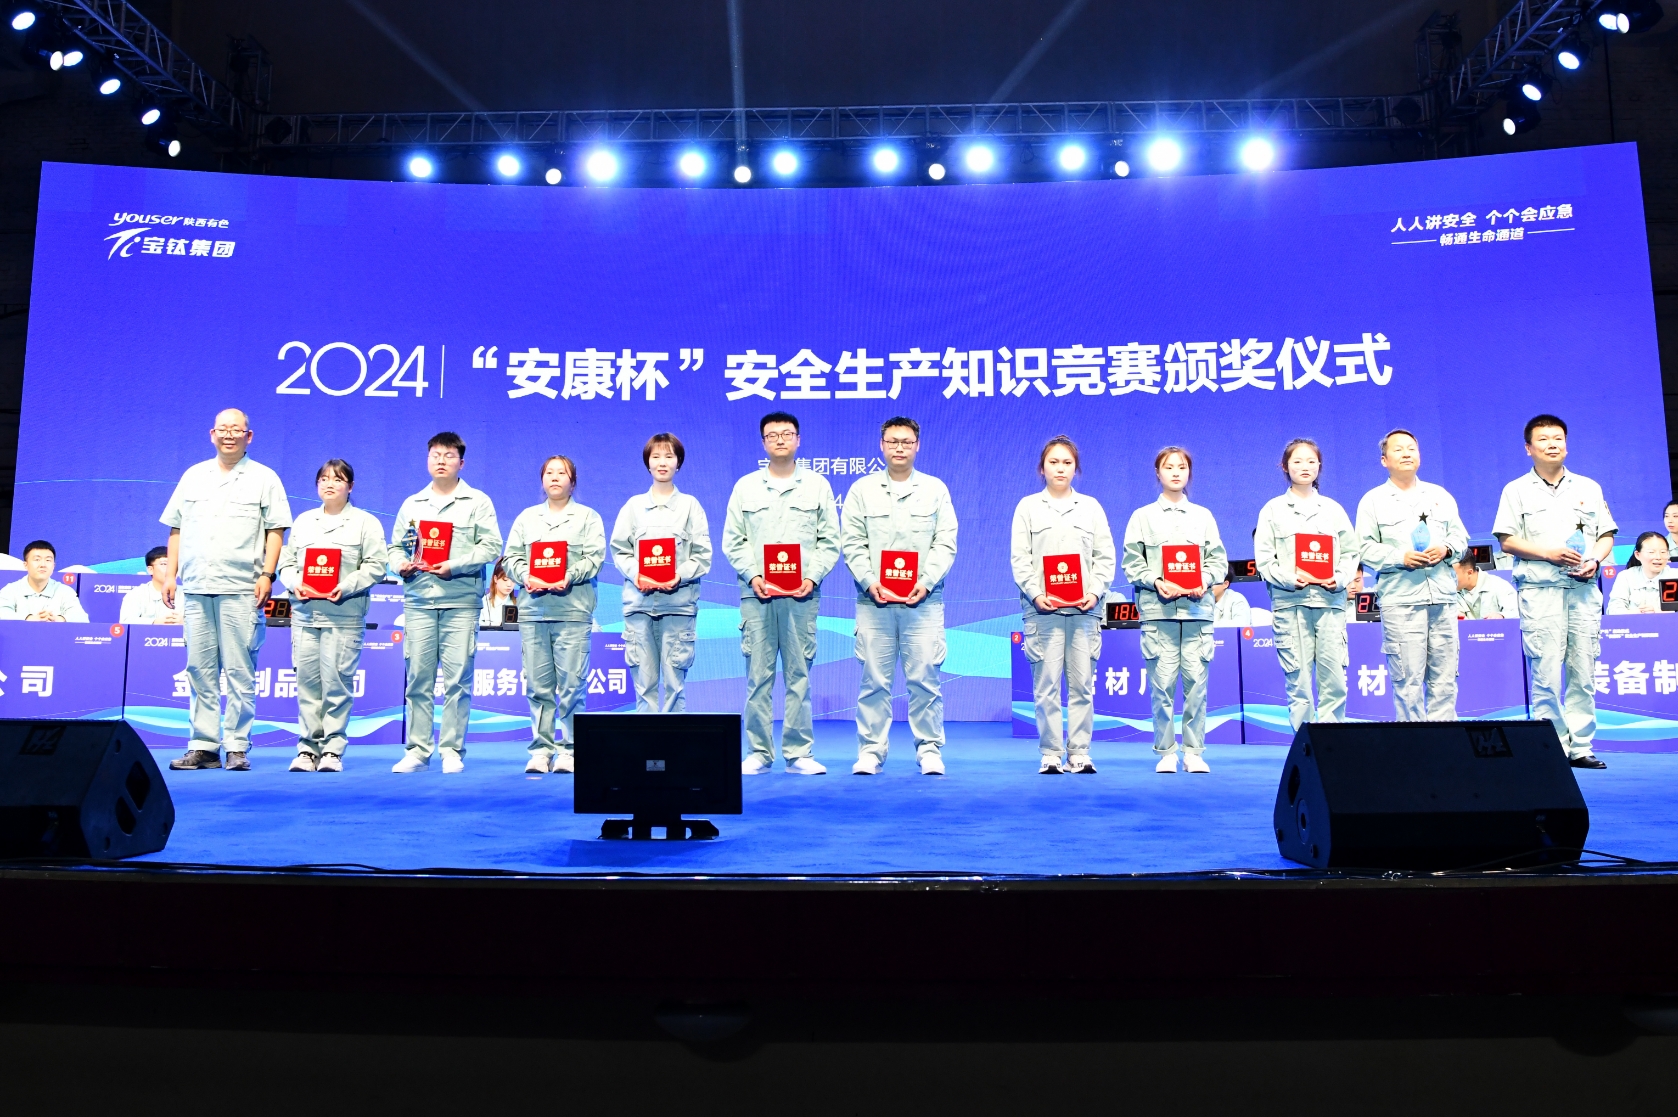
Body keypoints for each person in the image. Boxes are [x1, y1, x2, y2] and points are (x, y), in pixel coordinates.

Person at [160, 409, 292, 771]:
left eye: (236, 429)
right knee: (199, 669)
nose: (229, 434)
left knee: (239, 670)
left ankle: (237, 746)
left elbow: (276, 531)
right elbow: (176, 529)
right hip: (197, 586)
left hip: (242, 588)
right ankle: (203, 746)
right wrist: (171, 576)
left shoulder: (264, 478)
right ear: (212, 434)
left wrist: (268, 574)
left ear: (249, 436)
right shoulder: (193, 476)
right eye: (223, 429)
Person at [1493, 414, 1617, 769]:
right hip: (1541, 590)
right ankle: (1553, 747)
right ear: (1528, 448)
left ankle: (1581, 746)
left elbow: (1606, 535)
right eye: (1544, 439)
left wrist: (1594, 558)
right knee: (1546, 672)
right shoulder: (1516, 490)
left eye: (1558, 438)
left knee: (1584, 670)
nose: (1552, 444)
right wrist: (1547, 553)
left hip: (1583, 590)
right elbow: (1507, 540)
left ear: (1566, 443)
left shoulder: (1589, 487)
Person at [723, 411, 840, 775]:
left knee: (798, 675)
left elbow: (830, 540)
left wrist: (813, 577)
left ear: (798, 440)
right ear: (763, 443)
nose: (779, 440)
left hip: (801, 596)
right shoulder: (745, 487)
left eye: (786, 434)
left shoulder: (817, 486)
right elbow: (733, 540)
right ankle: (758, 751)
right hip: (756, 596)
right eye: (772, 435)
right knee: (758, 677)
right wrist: (753, 574)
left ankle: (798, 752)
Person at [841, 416, 959, 776]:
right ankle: (871, 751)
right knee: (874, 680)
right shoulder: (862, 490)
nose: (899, 448)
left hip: (923, 602)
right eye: (892, 441)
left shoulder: (935, 489)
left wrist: (926, 581)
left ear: (917, 446)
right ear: (881, 445)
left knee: (924, 678)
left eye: (906, 442)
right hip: (874, 602)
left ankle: (929, 750)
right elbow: (853, 542)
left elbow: (945, 542)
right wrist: (868, 580)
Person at [388, 432, 502, 774]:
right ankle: (417, 751)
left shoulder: (478, 501)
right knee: (418, 679)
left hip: (461, 601)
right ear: (427, 460)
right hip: (419, 600)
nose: (441, 460)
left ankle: (451, 750)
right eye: (435, 454)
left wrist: (455, 564)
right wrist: (400, 564)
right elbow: (395, 547)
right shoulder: (412, 504)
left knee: (457, 680)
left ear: (461, 463)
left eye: (449, 455)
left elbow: (491, 546)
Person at [275, 459, 389, 772]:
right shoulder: (303, 522)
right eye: (324, 478)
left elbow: (376, 565)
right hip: (305, 616)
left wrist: (346, 585)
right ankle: (307, 750)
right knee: (307, 685)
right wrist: (295, 584)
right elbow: (287, 564)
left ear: (350, 486)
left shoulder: (366, 523)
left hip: (343, 615)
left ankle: (332, 750)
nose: (329, 484)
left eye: (337, 479)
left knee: (337, 685)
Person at [1011, 435, 1114, 773]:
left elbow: (1105, 557)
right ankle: (1051, 753)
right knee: (1046, 687)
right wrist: (1035, 593)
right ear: (1042, 468)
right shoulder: (1027, 507)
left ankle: (1080, 752)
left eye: (1067, 463)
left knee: (1083, 686)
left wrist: (1095, 592)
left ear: (1076, 468)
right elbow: (1020, 559)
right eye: (1053, 462)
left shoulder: (1091, 507)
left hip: (1084, 612)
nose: (1060, 468)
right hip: (1043, 612)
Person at [1123, 446, 1227, 774]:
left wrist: (1204, 580)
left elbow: (1218, 561)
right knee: (1162, 685)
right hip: (1160, 612)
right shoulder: (1142, 517)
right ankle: (1166, 751)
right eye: (1169, 467)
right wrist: (1155, 580)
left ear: (1189, 472)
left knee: (1197, 685)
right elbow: (1131, 563)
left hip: (1197, 611)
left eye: (1181, 467)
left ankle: (1194, 751)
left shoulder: (1203, 516)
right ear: (1158, 473)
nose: (1176, 472)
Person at [1354, 429, 1466, 721]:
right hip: (1401, 601)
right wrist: (1399, 557)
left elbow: (1460, 537)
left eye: (1411, 448)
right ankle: (1413, 742)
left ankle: (1445, 740)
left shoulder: (1439, 495)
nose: (1406, 454)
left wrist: (1446, 549)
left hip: (1442, 597)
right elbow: (1363, 548)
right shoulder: (1372, 501)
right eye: (1398, 449)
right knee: (1407, 680)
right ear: (1384, 460)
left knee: (1445, 678)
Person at [503, 455, 605, 774]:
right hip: (534, 611)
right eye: (549, 472)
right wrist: (525, 576)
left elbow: (595, 558)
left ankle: (570, 750)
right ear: (542, 480)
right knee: (538, 686)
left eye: (562, 473)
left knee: (572, 685)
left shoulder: (588, 518)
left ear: (573, 482)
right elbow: (511, 557)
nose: (555, 477)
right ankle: (541, 750)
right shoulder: (526, 518)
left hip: (572, 610)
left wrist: (569, 576)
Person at [1253, 438, 1358, 729]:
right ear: (1285, 466)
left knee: (1334, 681)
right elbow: (1264, 559)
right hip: (1291, 606)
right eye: (1297, 461)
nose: (1305, 467)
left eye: (1311, 461)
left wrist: (1338, 578)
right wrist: (1291, 578)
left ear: (1319, 466)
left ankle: (1332, 746)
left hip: (1330, 604)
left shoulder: (1333, 509)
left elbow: (1351, 552)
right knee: (1298, 684)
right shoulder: (1272, 510)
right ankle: (1305, 746)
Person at [610, 433, 713, 714]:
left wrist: (678, 576)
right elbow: (619, 550)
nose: (662, 462)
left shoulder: (690, 506)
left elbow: (703, 555)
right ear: (648, 463)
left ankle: (673, 741)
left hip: (678, 606)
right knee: (643, 687)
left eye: (669, 456)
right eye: (656, 456)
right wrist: (637, 574)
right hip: (639, 606)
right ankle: (646, 743)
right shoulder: (633, 506)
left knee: (674, 686)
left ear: (679, 462)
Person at [0, 540, 89, 621]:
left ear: (53, 566)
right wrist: (29, 618)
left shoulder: (65, 591)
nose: (43, 564)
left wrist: (58, 619)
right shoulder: (10, 590)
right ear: (25, 565)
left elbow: (82, 618)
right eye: (37, 559)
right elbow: (2, 613)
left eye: (48, 560)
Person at [1606, 531, 1671, 615]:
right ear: (1637, 555)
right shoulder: (1626, 576)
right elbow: (1613, 610)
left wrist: (1657, 612)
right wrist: (1637, 613)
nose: (1658, 557)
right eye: (1651, 552)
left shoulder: (1675, 576)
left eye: (1663, 552)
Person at [119, 546, 183, 625]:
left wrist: (185, 622)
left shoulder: (187, 594)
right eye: (164, 564)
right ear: (150, 570)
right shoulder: (137, 594)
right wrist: (154, 622)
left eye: (174, 565)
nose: (170, 569)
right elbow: (126, 621)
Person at [1454, 556, 1519, 619]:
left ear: (1469, 573)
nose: (1450, 579)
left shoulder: (1500, 585)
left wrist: (1502, 616)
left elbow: (1516, 613)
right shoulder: (1451, 593)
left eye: (1453, 574)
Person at [478, 560, 517, 627]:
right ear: (495, 578)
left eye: (513, 580)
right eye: (505, 579)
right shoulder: (483, 603)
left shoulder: (518, 605)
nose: (509, 584)